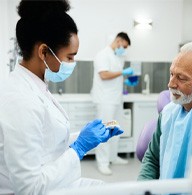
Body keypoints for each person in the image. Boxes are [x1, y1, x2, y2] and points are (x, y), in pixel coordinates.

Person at [0, 1, 124, 194]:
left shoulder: (35, 85)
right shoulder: (20, 100)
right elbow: (29, 188)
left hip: (56, 182)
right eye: (69, 57)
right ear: (43, 52)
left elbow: (46, 140)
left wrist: (82, 137)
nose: (72, 63)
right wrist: (79, 147)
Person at [138, 42, 192, 180]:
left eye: (181, 78)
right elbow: (152, 159)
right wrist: (144, 188)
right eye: (172, 74)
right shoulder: (168, 112)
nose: (170, 84)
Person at [91, 32, 134, 175]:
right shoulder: (103, 55)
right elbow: (103, 75)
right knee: (105, 131)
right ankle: (102, 162)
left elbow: (114, 76)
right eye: (125, 46)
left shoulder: (116, 56)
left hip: (115, 99)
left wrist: (125, 80)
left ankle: (113, 157)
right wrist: (123, 72)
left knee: (115, 129)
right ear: (119, 41)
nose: (125, 50)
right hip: (105, 100)